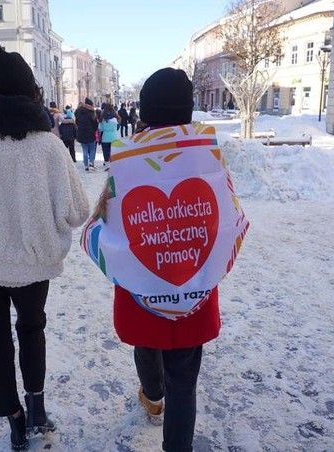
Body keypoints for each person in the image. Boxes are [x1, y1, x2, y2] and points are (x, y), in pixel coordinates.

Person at [83, 68, 248, 452]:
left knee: (147, 344)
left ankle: (152, 396)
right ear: (188, 110)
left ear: (146, 111)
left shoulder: (126, 162)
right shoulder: (209, 161)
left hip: (142, 291)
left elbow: (104, 222)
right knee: (185, 380)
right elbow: (230, 220)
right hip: (193, 290)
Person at [0, 41, 90, 451]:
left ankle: (13, 421)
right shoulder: (48, 146)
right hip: (34, 265)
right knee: (32, 331)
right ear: (30, 92)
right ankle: (36, 407)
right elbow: (78, 212)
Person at [74, 98, 99, 172]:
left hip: (81, 133)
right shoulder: (92, 112)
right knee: (92, 149)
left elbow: (77, 122)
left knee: (84, 149)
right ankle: (91, 163)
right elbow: (95, 124)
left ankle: (85, 165)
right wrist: (94, 130)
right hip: (90, 133)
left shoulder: (78, 111)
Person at [98, 103, 120, 170]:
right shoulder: (115, 118)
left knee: (106, 151)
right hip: (114, 137)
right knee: (113, 151)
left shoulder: (103, 119)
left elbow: (100, 129)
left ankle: (107, 164)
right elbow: (117, 128)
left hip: (105, 137)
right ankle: (113, 163)